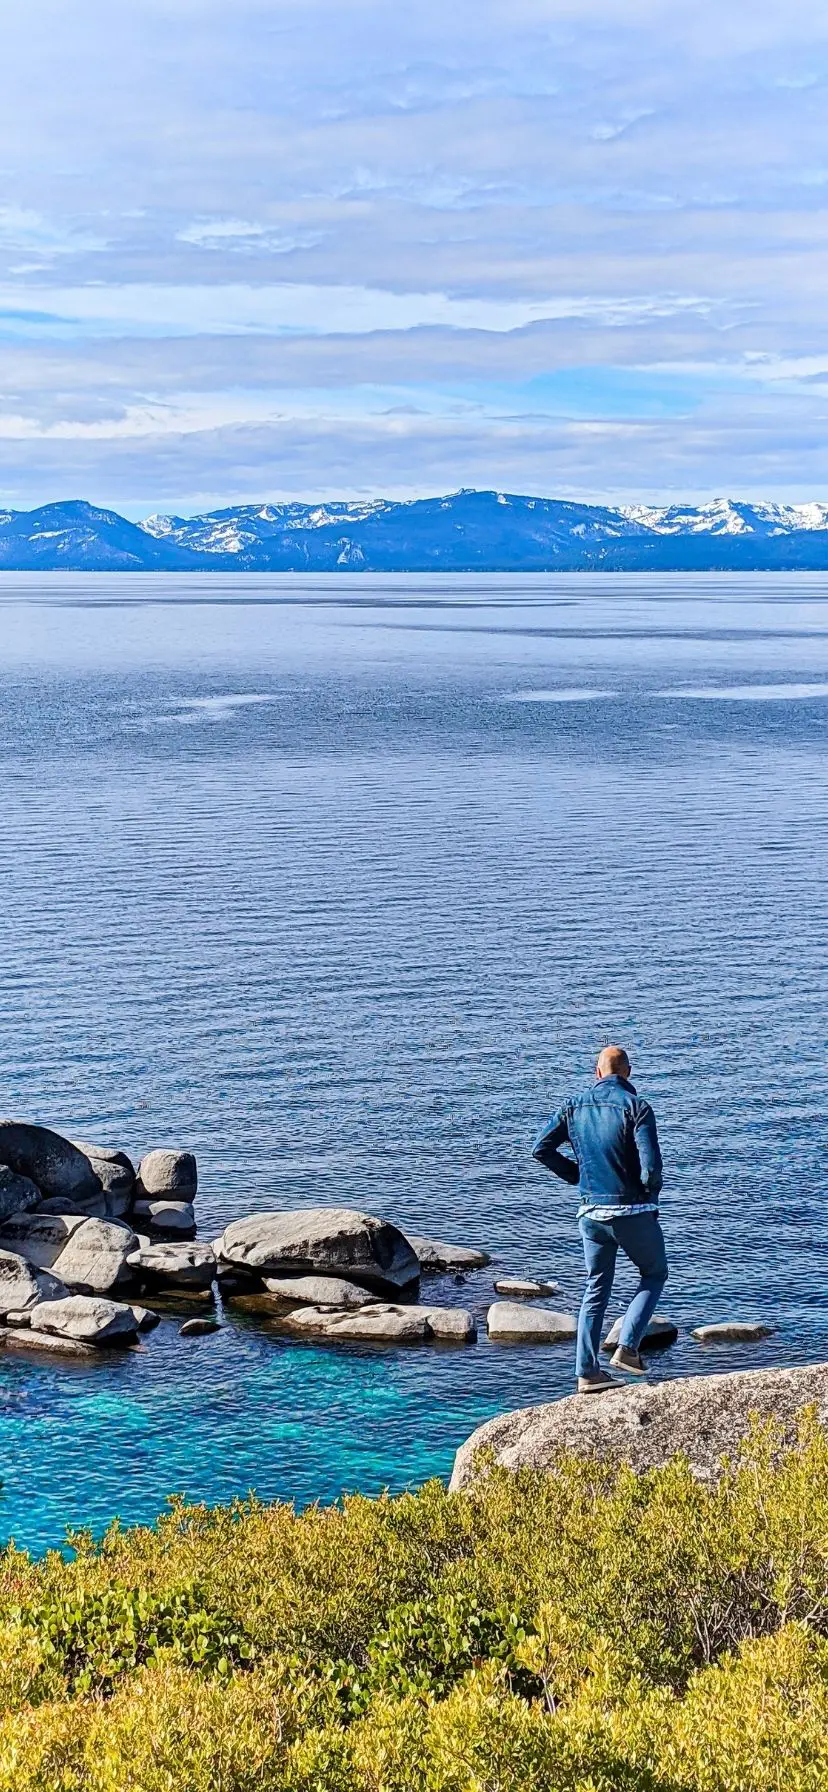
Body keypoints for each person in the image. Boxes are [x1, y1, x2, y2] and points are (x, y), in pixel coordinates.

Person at [532, 1045, 667, 1394]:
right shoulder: (637, 1107)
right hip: (631, 1210)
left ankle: (586, 1372)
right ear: (628, 1072)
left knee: (595, 1289)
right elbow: (651, 1168)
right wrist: (650, 1197)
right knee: (654, 1274)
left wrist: (577, 1175)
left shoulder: (573, 1106)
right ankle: (628, 1348)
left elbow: (540, 1149)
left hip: (590, 1214)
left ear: (597, 1073)